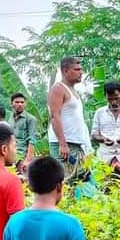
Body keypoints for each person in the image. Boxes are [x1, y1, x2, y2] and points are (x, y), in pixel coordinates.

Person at [47, 56, 93, 184]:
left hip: (76, 144)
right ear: (65, 71)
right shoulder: (58, 89)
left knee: (80, 181)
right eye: (77, 69)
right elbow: (54, 117)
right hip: (64, 144)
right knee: (65, 182)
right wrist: (62, 143)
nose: (81, 72)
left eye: (81, 69)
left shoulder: (73, 91)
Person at [10, 93, 39, 166]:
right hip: (11, 155)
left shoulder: (31, 119)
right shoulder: (10, 118)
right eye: (17, 102)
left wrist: (27, 160)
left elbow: (32, 140)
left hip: (22, 157)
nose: (20, 104)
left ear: (25, 104)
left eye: (22, 102)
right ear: (11, 104)